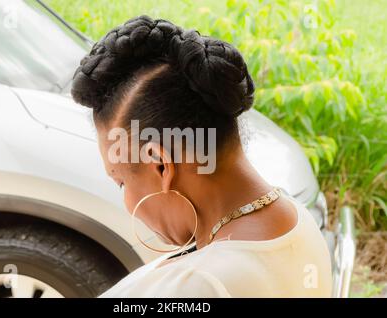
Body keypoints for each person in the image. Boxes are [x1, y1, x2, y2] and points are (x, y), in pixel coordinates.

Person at [71, 15, 332, 297]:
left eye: (121, 181)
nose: (128, 203)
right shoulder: (298, 219)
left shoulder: (201, 286)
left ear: (160, 164)